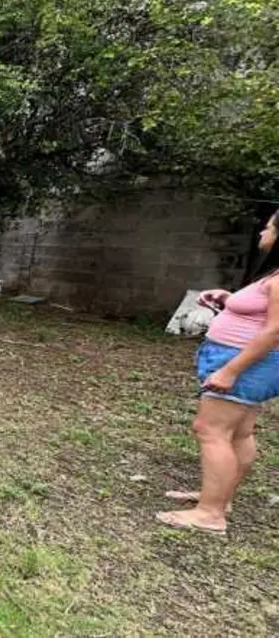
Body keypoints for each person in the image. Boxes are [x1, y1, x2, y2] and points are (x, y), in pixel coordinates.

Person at [156, 210, 279, 535]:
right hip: (246, 361)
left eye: (268, 228)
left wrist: (230, 371)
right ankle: (219, 498)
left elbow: (274, 332)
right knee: (240, 433)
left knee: (210, 430)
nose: (261, 233)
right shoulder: (273, 276)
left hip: (246, 363)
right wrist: (229, 300)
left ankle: (210, 513)